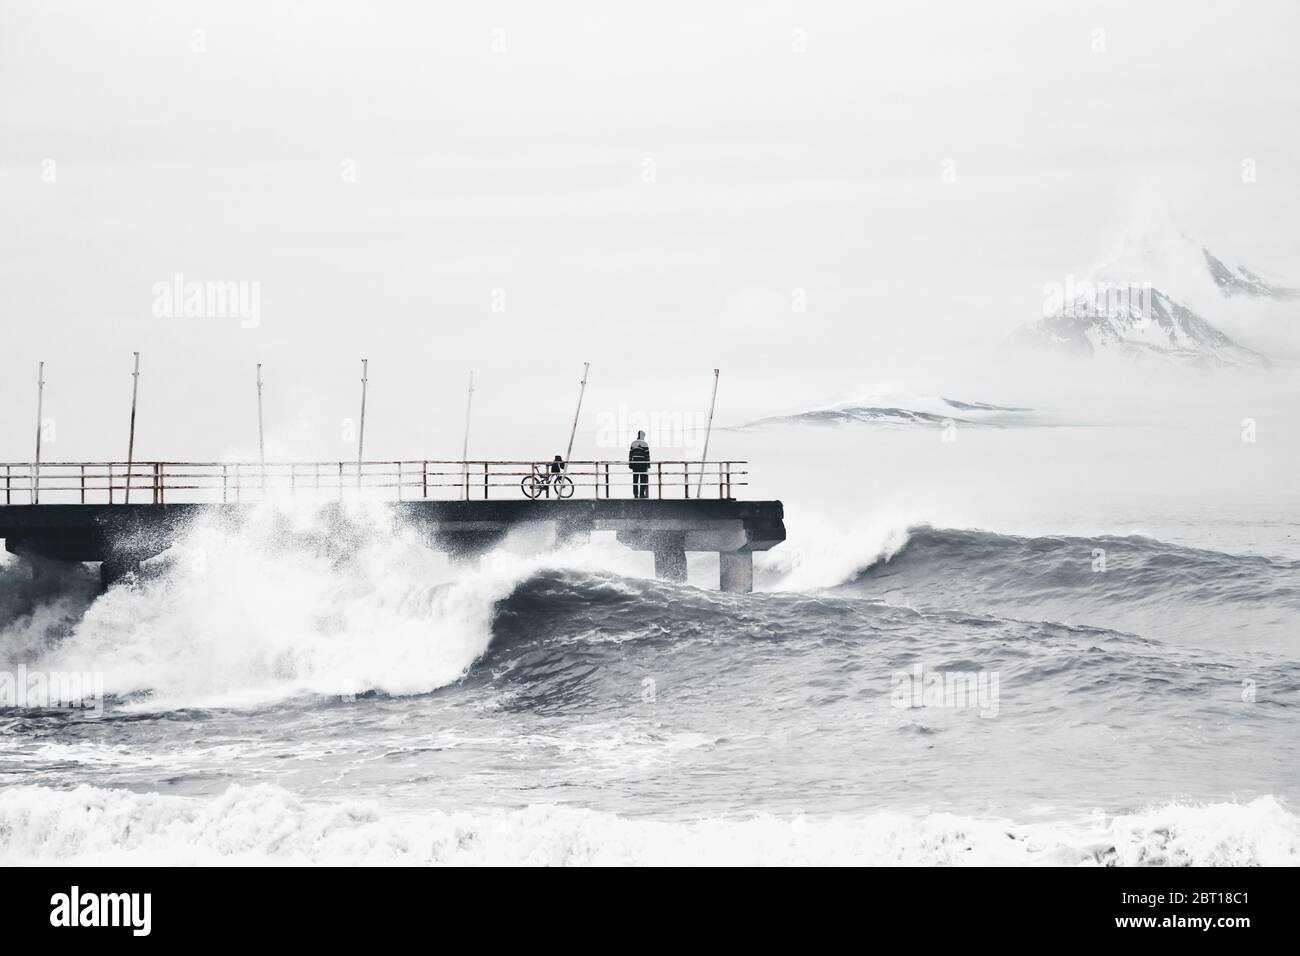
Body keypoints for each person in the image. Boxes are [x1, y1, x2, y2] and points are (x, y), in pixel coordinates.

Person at [628, 431, 650, 498]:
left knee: (635, 480)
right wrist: (648, 465)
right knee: (643, 480)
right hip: (643, 464)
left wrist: (630, 464)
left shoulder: (633, 443)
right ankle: (641, 494)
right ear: (643, 436)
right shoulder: (645, 444)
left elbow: (630, 455)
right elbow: (647, 455)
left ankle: (635, 495)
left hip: (635, 464)